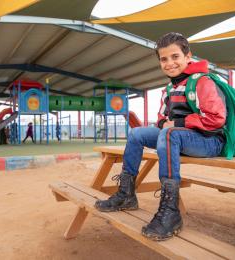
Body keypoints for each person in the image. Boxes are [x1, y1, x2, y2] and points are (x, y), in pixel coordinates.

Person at [94, 32, 226, 241]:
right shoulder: (169, 88)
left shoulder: (202, 82)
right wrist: (166, 124)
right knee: (137, 134)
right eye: (164, 59)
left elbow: (216, 119)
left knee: (169, 133)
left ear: (188, 56)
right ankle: (126, 194)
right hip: (177, 135)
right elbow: (162, 119)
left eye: (175, 57)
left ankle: (171, 212)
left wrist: (177, 124)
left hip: (208, 140)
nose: (169, 63)